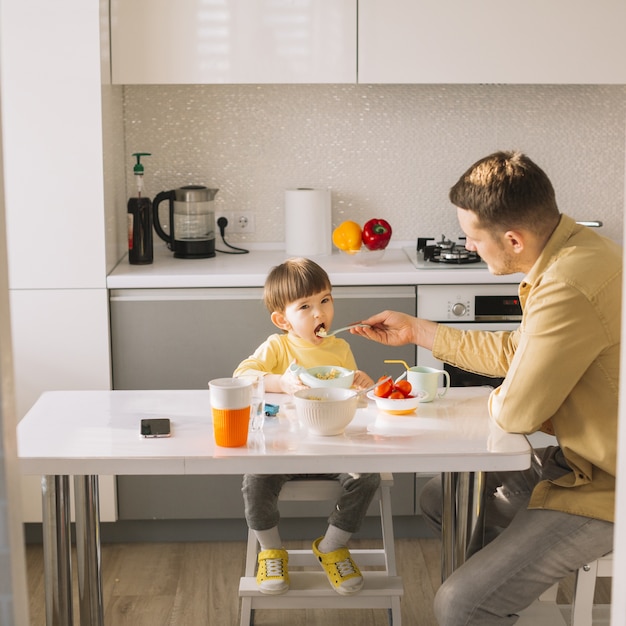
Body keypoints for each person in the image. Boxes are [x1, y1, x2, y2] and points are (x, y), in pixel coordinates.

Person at [351, 150, 621, 625]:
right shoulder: (578, 250)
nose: (471, 247)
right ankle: (506, 595)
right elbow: (518, 353)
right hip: (577, 462)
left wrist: (519, 395)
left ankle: (486, 602)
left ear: (513, 239)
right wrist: (419, 331)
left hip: (606, 486)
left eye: (474, 238)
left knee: (459, 604)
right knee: (442, 498)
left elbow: (515, 413)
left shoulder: (566, 286)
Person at [233, 257, 379, 596]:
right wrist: (280, 383)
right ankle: (270, 550)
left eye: (325, 300)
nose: (320, 314)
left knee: (368, 477)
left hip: (333, 449)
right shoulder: (278, 347)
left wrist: (362, 389)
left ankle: (332, 546)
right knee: (254, 481)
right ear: (282, 319)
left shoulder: (340, 348)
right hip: (283, 453)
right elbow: (242, 376)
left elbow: (352, 403)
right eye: (306, 306)